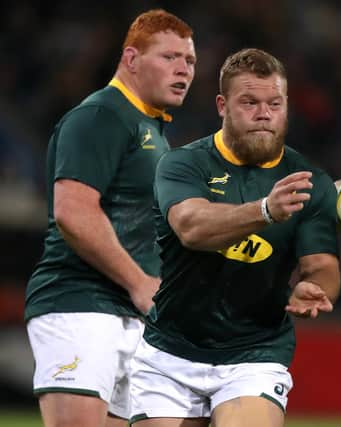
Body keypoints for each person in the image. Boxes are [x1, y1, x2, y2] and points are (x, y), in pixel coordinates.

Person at [128, 48, 341, 427]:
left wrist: (317, 288)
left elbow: (322, 264)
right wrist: (265, 211)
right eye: (250, 102)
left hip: (254, 354)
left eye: (275, 103)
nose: (264, 113)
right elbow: (191, 227)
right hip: (170, 354)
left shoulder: (309, 181)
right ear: (222, 105)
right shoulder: (182, 164)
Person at [24, 9, 196, 427]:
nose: (183, 70)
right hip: (80, 306)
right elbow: (73, 210)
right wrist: (141, 285)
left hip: (133, 318)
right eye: (170, 57)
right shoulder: (102, 115)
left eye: (190, 61)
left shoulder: (153, 132)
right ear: (131, 60)